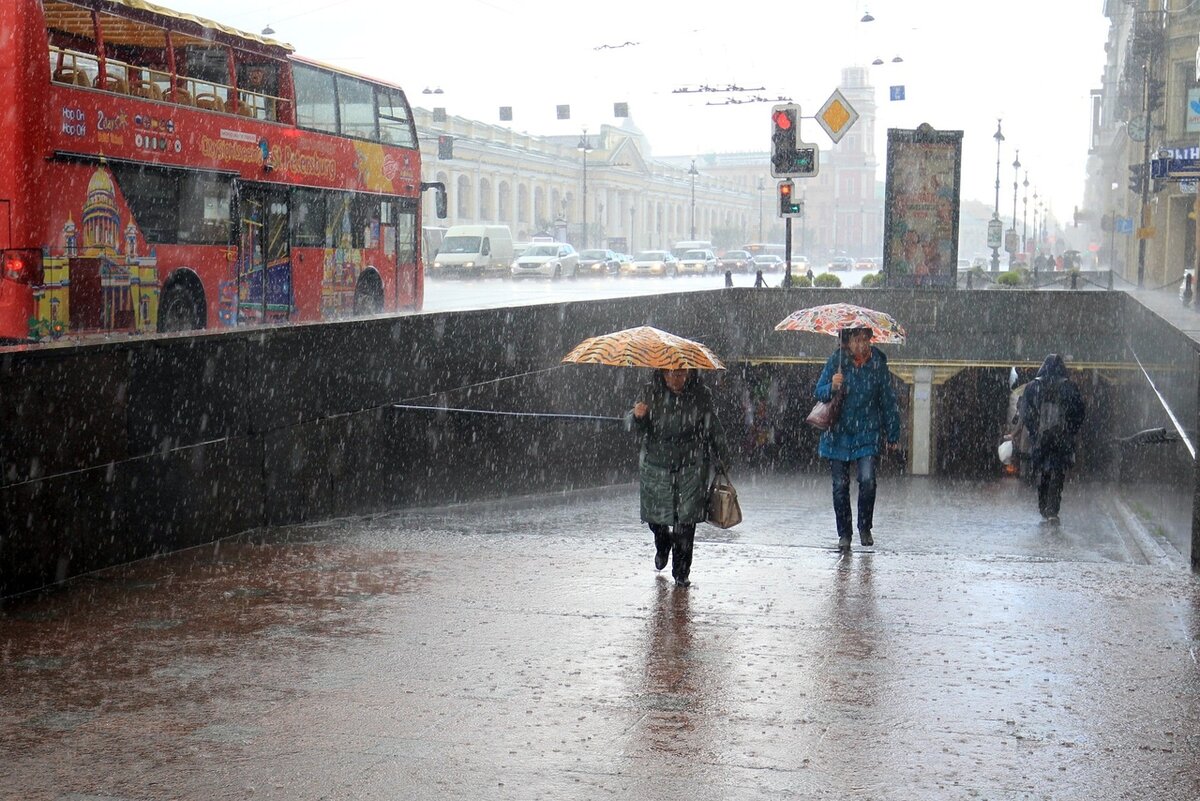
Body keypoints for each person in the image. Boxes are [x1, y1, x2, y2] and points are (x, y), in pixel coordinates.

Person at [628, 368, 730, 587]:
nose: (677, 379)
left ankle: (682, 572)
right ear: (662, 374)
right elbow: (633, 426)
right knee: (656, 518)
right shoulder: (649, 392)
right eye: (672, 374)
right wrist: (638, 417)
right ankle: (662, 542)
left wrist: (722, 456)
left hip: (692, 466)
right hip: (657, 465)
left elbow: (713, 426)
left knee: (686, 520)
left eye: (681, 374)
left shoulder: (701, 395)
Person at [813, 328, 902, 551]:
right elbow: (819, 392)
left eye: (865, 340)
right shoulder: (837, 361)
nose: (861, 344)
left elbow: (887, 400)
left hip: (867, 431)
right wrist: (832, 386)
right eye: (856, 340)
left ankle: (865, 526)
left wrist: (893, 432)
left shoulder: (878, 365)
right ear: (848, 341)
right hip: (838, 433)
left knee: (868, 479)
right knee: (840, 486)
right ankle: (844, 534)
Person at [1020, 354, 1086, 524]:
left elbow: (1025, 413)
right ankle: (1052, 510)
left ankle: (1043, 507)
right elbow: (1079, 413)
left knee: (1043, 472)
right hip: (1061, 439)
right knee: (1057, 472)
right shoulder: (1070, 387)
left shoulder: (1032, 387)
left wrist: (1035, 431)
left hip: (1040, 440)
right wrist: (1069, 431)